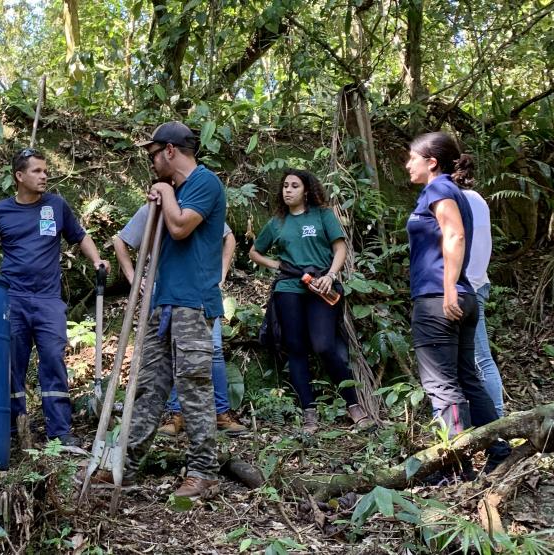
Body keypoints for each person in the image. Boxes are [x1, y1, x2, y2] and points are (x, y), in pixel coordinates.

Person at [89, 121, 224, 499]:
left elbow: (181, 228)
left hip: (193, 302)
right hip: (162, 303)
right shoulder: (172, 191)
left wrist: (165, 190)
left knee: (194, 386)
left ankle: (203, 472)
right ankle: (124, 466)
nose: (150, 163)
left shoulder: (204, 183)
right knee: (147, 386)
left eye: (152, 154)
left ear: (170, 150)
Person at [0, 148, 108, 448]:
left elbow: (80, 236)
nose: (44, 175)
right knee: (12, 365)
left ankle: (59, 432)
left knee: (53, 361)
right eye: (36, 171)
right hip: (13, 298)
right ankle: (13, 431)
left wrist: (97, 259)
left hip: (48, 300)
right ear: (19, 176)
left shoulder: (56, 206)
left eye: (46, 170)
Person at [404, 131, 509, 478]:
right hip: (459, 296)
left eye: (412, 158)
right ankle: (499, 449)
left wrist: (448, 287)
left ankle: (452, 464)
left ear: (431, 162)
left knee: (442, 384)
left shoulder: (438, 188)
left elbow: (455, 235)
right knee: (467, 379)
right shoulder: (455, 192)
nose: (407, 164)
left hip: (440, 298)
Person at [248, 169, 370, 433]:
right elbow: (255, 252)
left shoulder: (323, 215)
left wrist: (331, 274)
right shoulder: (277, 222)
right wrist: (276, 264)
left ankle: (354, 405)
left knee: (324, 345)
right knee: (295, 348)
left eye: (294, 186)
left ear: (306, 190)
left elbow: (340, 248)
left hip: (321, 286)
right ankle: (309, 413)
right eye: (285, 186)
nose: (288, 190)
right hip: (288, 288)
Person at [113, 204, 247, 435]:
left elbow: (229, 237)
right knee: (170, 352)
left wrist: (221, 273)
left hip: (201, 288)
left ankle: (220, 413)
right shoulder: (152, 210)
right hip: (163, 288)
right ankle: (177, 415)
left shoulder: (199, 206)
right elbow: (120, 240)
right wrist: (134, 277)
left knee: (212, 349)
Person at [461, 186, 505, 417]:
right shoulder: (476, 198)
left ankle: (498, 423)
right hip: (475, 282)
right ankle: (487, 423)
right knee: (473, 360)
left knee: (480, 359)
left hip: (468, 285)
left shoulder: (460, 199)